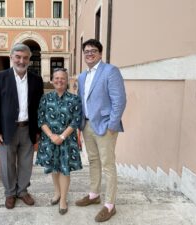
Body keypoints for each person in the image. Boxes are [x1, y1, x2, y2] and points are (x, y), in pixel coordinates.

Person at [75, 39, 126, 222]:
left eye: (93, 50)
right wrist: (80, 127)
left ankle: (110, 205)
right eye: (86, 51)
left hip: (105, 126)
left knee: (108, 164)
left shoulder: (110, 71)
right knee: (94, 161)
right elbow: (82, 102)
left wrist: (112, 126)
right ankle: (94, 194)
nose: (89, 53)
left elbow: (119, 100)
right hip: (87, 125)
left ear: (100, 53)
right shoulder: (82, 77)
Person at [0, 43, 44, 209]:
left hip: (28, 128)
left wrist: (38, 130)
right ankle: (10, 193)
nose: (21, 61)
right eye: (18, 57)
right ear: (12, 57)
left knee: (26, 162)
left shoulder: (36, 80)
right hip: (6, 130)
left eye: (25, 58)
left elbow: (39, 107)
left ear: (29, 60)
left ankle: (23, 191)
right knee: (7, 163)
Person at [36, 68, 83, 215]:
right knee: (54, 168)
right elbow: (41, 119)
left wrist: (61, 137)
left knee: (64, 169)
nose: (59, 81)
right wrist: (51, 136)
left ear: (67, 80)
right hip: (49, 139)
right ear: (52, 80)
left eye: (62, 78)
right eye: (56, 78)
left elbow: (76, 121)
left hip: (67, 140)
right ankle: (57, 193)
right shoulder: (45, 98)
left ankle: (63, 199)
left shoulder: (74, 99)